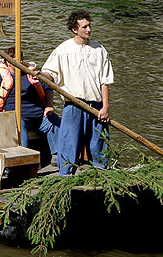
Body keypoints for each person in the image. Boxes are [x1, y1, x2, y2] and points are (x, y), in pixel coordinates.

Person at [39, 10, 113, 175]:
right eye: (84, 27)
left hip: (96, 107)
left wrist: (105, 107)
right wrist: (39, 75)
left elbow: (105, 81)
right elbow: (50, 74)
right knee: (69, 143)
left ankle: (102, 175)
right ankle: (66, 177)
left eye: (89, 26)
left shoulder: (99, 50)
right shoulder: (63, 49)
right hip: (73, 105)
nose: (89, 30)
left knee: (98, 143)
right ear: (74, 29)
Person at [0, 46, 60, 167]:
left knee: (54, 122)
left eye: (19, 60)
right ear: (7, 63)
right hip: (16, 116)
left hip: (38, 115)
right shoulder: (0, 76)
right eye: (14, 61)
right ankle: (25, 163)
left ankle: (58, 157)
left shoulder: (31, 74)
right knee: (21, 130)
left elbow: (48, 88)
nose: (17, 63)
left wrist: (50, 106)